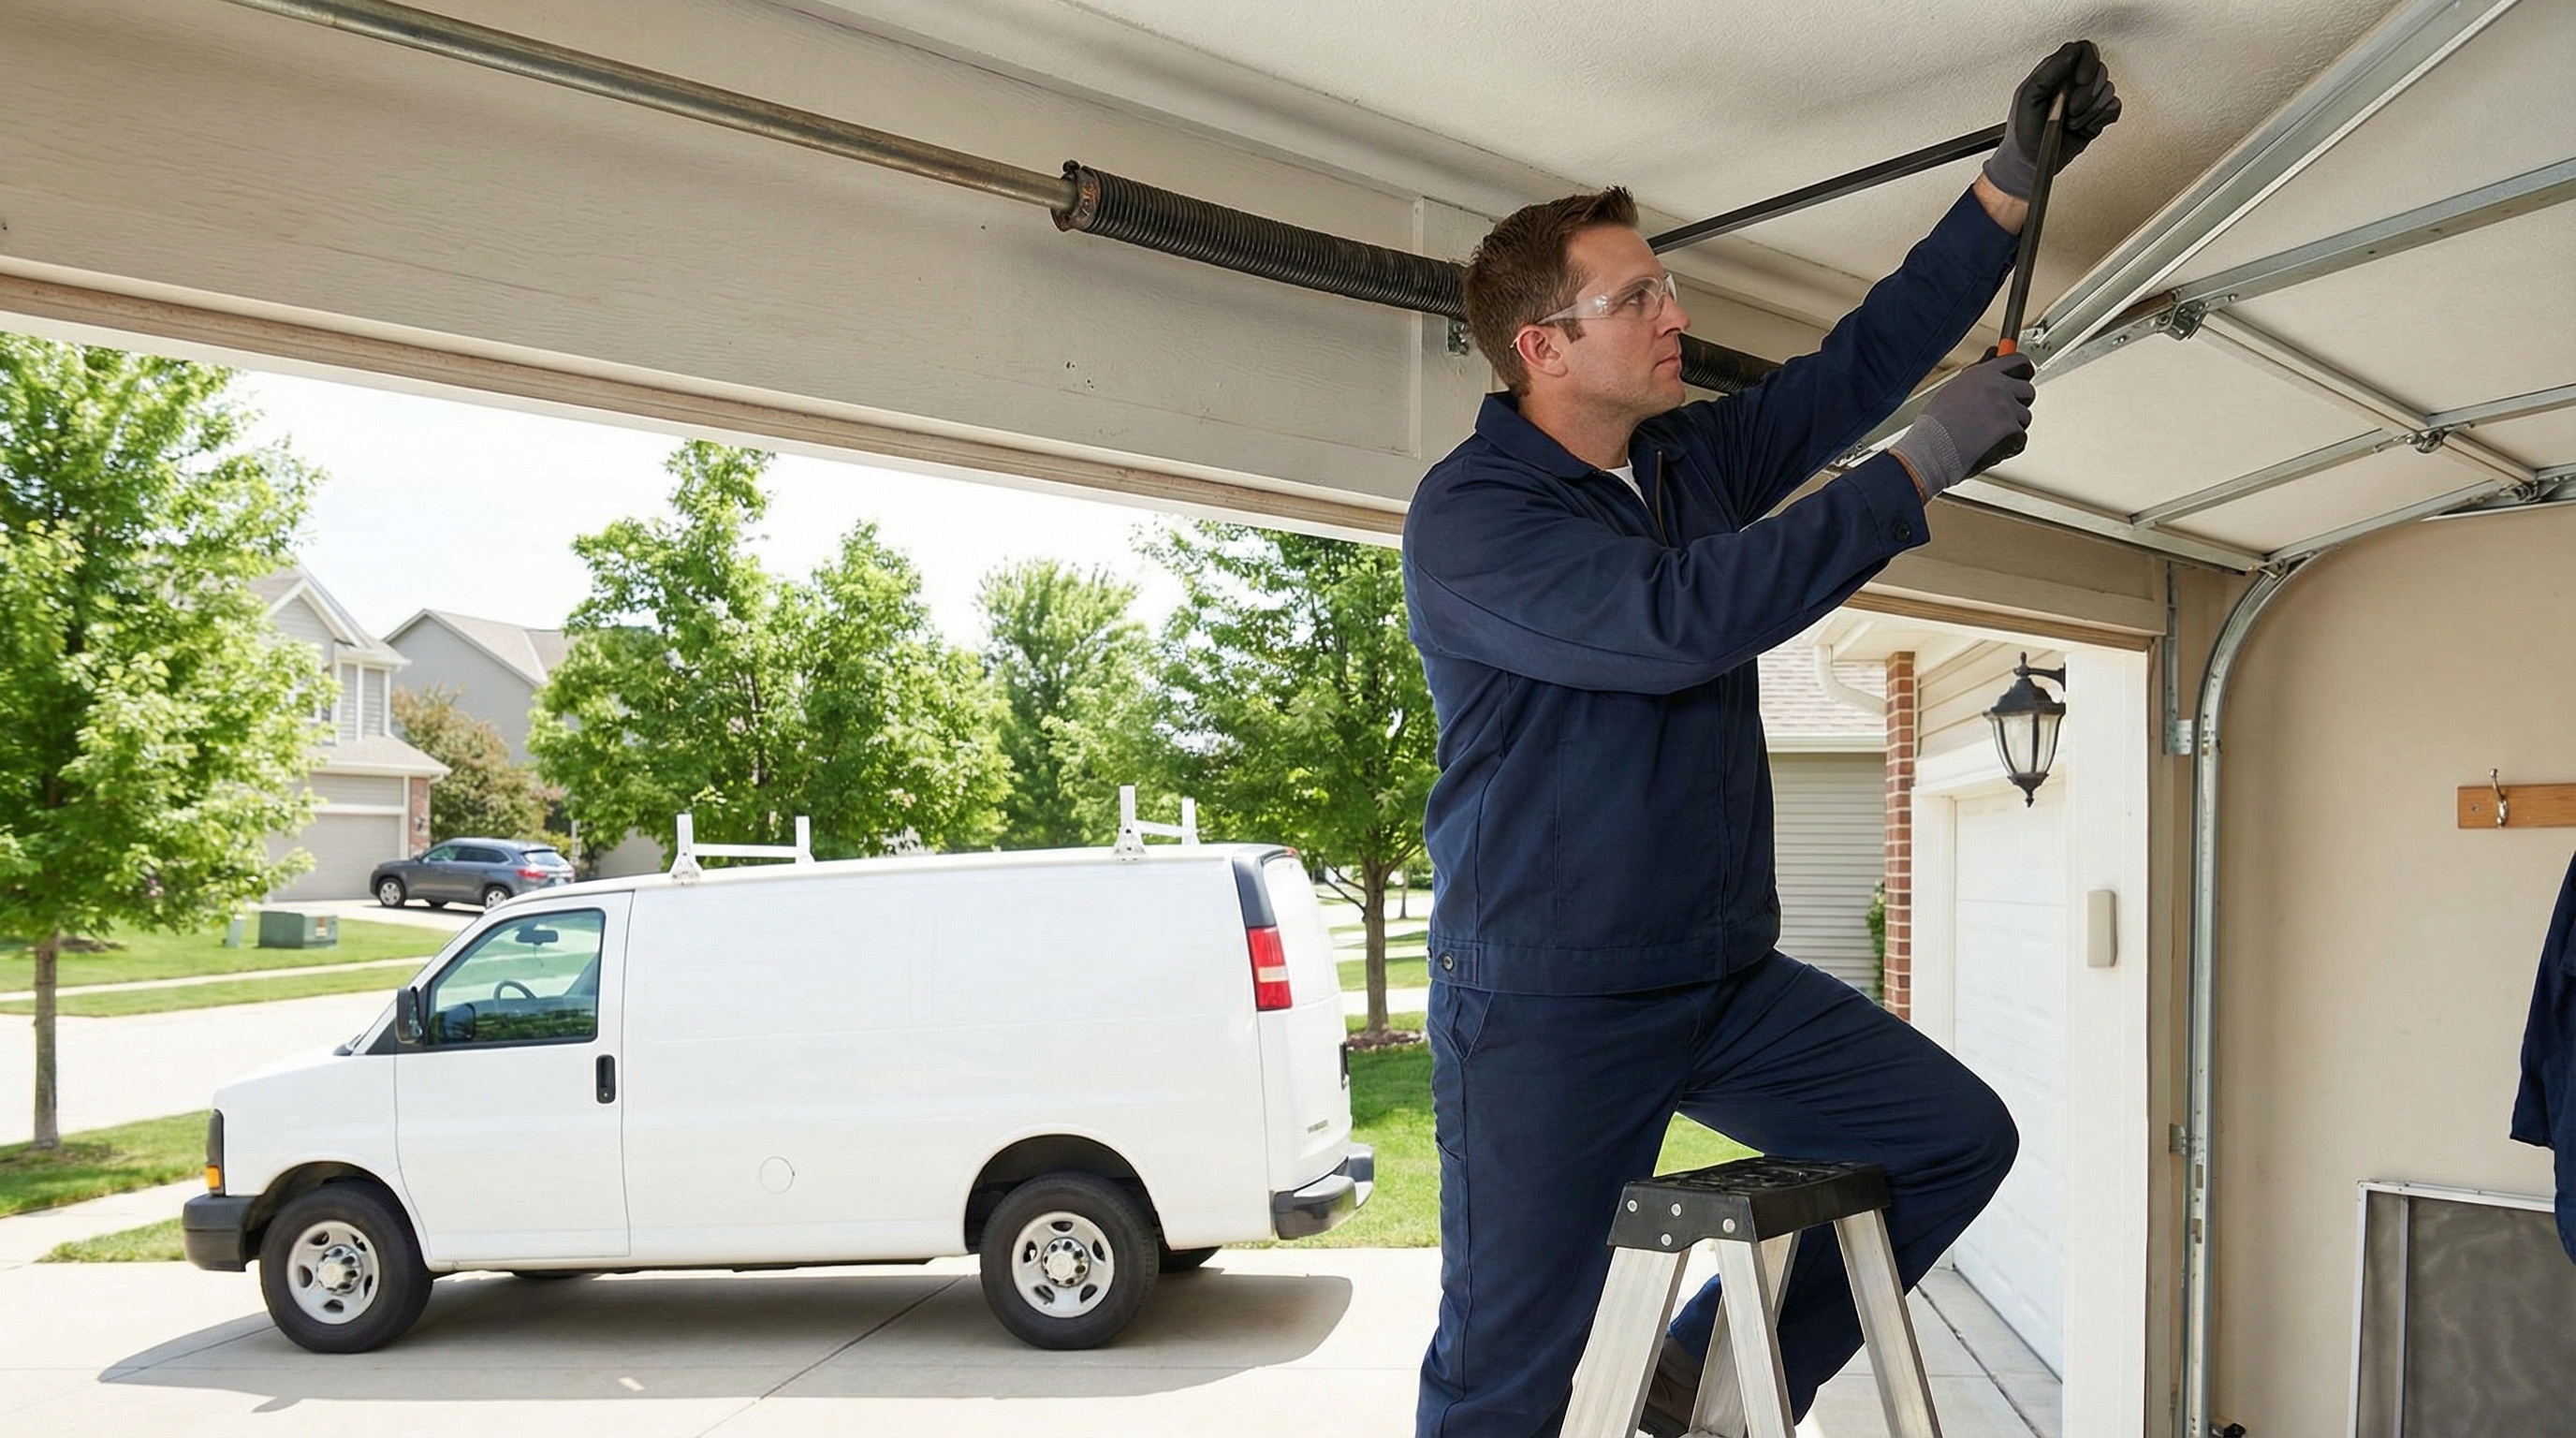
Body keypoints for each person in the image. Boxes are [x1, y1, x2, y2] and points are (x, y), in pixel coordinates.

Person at [1399, 42, 2122, 1438]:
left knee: (1948, 1139)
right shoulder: (1477, 521)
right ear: (1543, 346)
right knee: (1507, 1369)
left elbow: (1864, 361)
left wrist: (2010, 182)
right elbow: (1684, 620)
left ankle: (1698, 1384)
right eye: (1637, 296)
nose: (1674, 310)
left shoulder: (1687, 461)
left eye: (1666, 282)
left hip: (1719, 975)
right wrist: (1923, 465)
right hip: (1548, 1004)